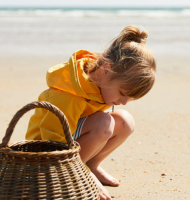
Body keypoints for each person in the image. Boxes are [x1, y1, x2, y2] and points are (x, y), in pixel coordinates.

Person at [26, 25, 156, 200]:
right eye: (122, 94)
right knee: (104, 123)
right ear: (106, 70)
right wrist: (83, 175)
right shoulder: (69, 94)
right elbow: (54, 139)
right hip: (47, 150)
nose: (124, 102)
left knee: (126, 121)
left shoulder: (101, 84)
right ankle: (80, 171)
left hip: (71, 140)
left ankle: (91, 164)